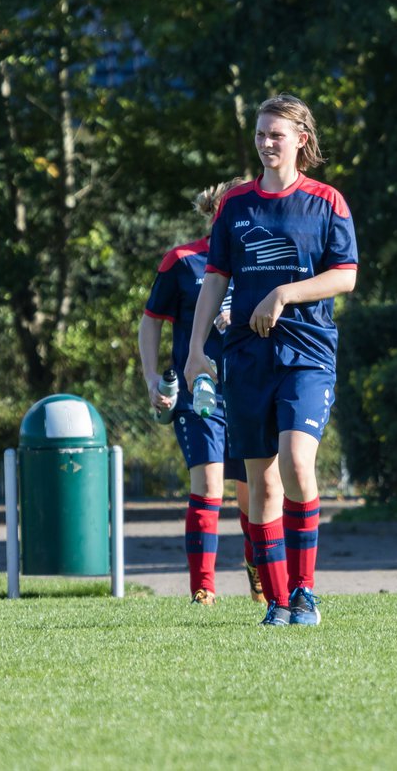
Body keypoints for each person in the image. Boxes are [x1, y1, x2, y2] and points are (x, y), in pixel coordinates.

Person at [185, 94, 358, 627]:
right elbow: (214, 279)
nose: (266, 143)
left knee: (297, 463)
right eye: (261, 134)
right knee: (259, 483)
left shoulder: (328, 201)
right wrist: (195, 353)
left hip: (307, 353)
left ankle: (305, 591)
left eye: (276, 134)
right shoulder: (235, 206)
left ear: (301, 139)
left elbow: (345, 275)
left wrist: (284, 293)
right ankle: (278, 601)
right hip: (245, 356)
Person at [137, 178, 265, 607]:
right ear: (213, 211)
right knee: (209, 485)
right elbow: (151, 319)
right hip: (198, 391)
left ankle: (259, 581)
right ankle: (203, 589)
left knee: (254, 497)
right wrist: (152, 376)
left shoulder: (258, 258)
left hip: (249, 388)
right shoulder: (183, 260)